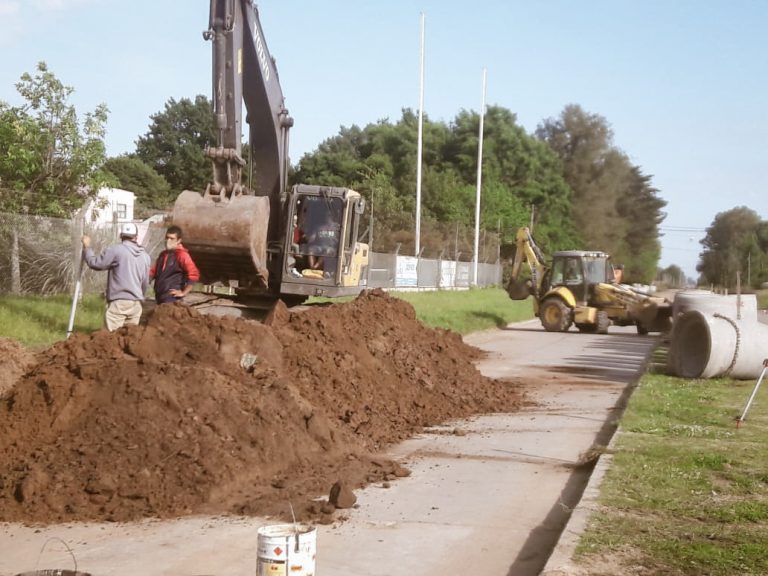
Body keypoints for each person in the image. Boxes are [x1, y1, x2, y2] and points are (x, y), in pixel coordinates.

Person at [82, 222, 151, 331]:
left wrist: (87, 248)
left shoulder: (116, 250)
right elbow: (145, 282)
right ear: (136, 237)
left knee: (111, 340)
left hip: (119, 304)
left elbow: (96, 264)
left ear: (121, 236)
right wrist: (140, 297)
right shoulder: (145, 256)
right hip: (136, 304)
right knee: (130, 339)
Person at [150, 225, 201, 304]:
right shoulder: (163, 255)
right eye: (167, 238)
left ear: (179, 240)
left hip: (172, 298)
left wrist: (183, 292)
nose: (168, 241)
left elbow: (194, 274)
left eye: (172, 238)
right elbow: (153, 272)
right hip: (159, 296)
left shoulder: (182, 255)